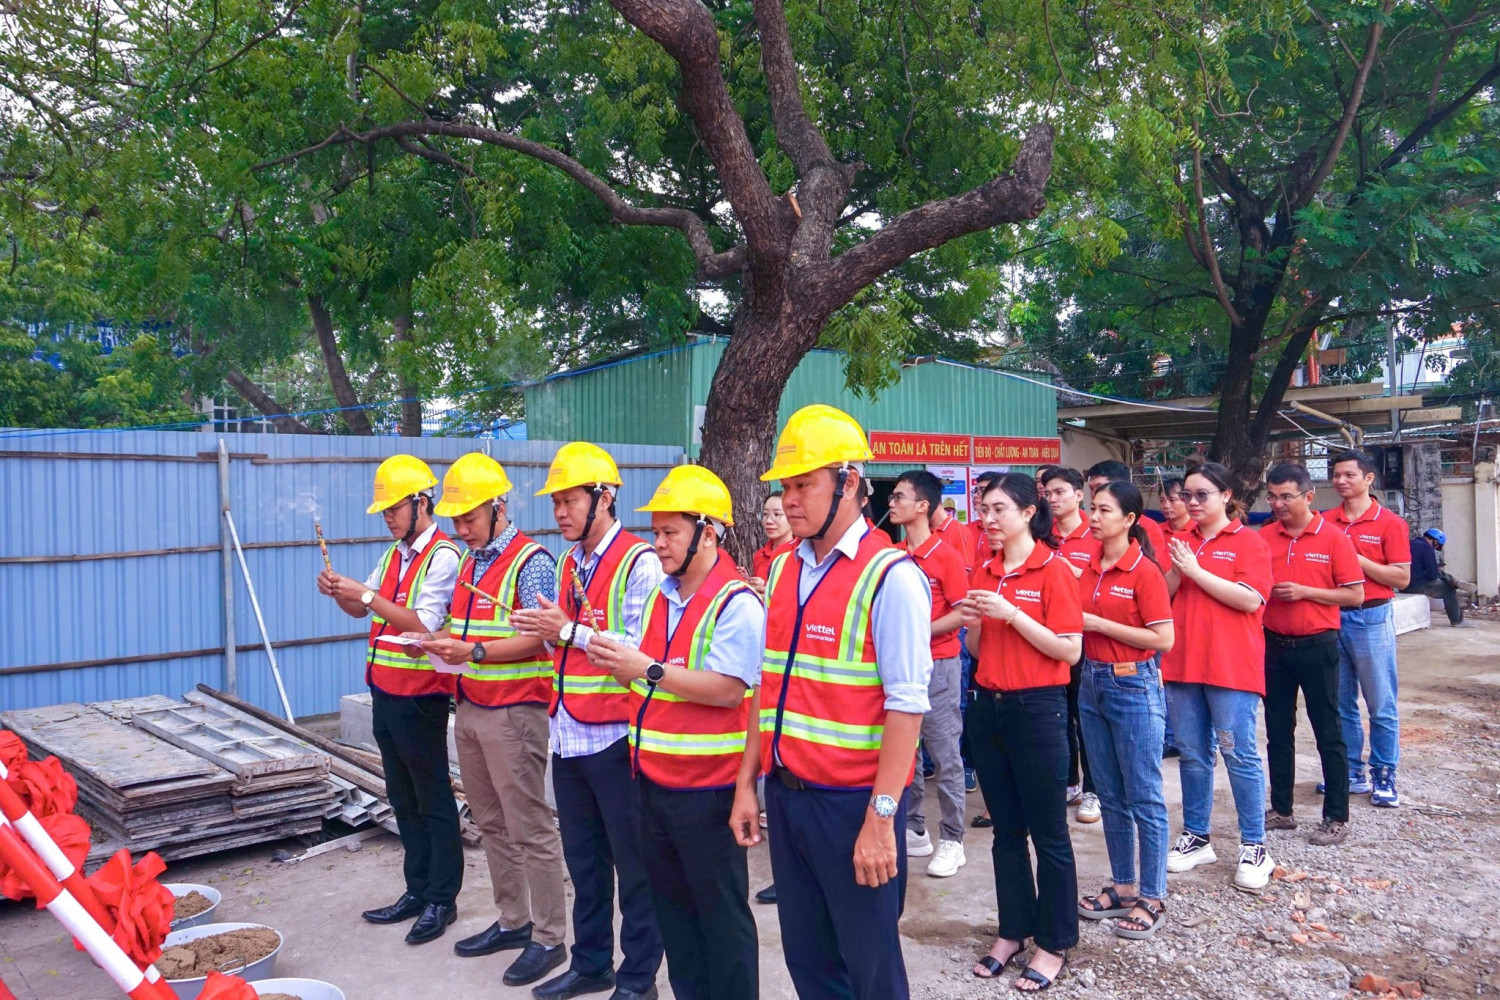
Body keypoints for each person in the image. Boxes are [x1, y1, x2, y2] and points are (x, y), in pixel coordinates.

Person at [754, 404, 933, 1000]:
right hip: (787, 797)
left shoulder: (891, 576)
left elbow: (907, 706)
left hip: (854, 805)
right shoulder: (784, 570)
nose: (790, 500)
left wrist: (881, 820)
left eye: (803, 485)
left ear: (849, 483)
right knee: (809, 961)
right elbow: (767, 688)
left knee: (870, 966)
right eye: (786, 487)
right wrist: (751, 787)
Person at [586, 466, 763, 1000]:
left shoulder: (736, 602)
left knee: (721, 919)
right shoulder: (662, 596)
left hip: (708, 791)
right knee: (676, 918)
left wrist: (645, 668)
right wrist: (617, 661)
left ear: (707, 534)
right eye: (656, 532)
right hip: (654, 782)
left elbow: (729, 690)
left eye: (670, 533)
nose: (658, 543)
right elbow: (647, 677)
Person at [401, 453, 568, 984]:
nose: (462, 529)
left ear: (499, 508)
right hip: (472, 706)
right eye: (456, 520)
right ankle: (513, 920)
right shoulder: (471, 562)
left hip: (515, 712)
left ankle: (550, 937)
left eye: (470, 518)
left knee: (530, 826)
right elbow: (465, 625)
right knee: (491, 822)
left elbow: (540, 637)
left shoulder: (532, 561)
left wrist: (472, 651)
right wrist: (432, 641)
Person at [510, 442, 664, 1000]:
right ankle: (592, 963)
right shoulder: (569, 563)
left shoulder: (640, 561)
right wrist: (546, 630)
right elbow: (562, 641)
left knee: (634, 865)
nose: (560, 513)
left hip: (617, 735)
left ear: (605, 496)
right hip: (569, 733)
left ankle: (638, 977)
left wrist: (565, 630)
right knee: (585, 862)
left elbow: (641, 648)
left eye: (570, 500)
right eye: (556, 503)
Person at [317, 455, 462, 943]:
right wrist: (341, 593)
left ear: (421, 503)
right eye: (384, 511)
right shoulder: (395, 554)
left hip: (421, 696)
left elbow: (421, 622)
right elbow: (364, 612)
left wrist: (363, 595)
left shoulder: (443, 556)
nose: (388, 517)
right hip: (385, 690)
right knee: (402, 796)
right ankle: (417, 889)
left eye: (394, 508)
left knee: (432, 796)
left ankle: (442, 898)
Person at [962, 473, 1082, 991]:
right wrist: (974, 621)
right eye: (984, 509)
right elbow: (976, 650)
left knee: (1049, 832)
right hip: (989, 709)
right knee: (1006, 832)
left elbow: (1069, 650)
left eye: (999, 509)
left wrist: (1011, 613)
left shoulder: (1054, 570)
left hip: (1038, 710)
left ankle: (1054, 942)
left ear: (1029, 513)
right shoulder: (985, 569)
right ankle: (1013, 930)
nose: (988, 519)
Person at [1161, 462, 1276, 890]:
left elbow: (1249, 600)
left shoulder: (1249, 542)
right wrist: (1178, 570)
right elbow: (1163, 596)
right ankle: (1196, 836)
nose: (1191, 502)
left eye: (1202, 494)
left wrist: (1195, 571)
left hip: (1231, 666)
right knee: (1192, 754)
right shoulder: (1182, 541)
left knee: (1238, 754)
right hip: (1184, 662)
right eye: (1186, 495)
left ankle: (1254, 845)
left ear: (1226, 496)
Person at [1074, 481, 1175, 943]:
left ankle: (1152, 896)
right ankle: (1123, 885)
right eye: (1091, 508)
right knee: (1110, 793)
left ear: (1130, 519)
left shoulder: (1144, 571)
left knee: (1144, 795)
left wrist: (1099, 623)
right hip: (1092, 681)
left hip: (1133, 683)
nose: (1093, 517)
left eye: (1103, 510)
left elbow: (1163, 639)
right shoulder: (1088, 566)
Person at [1260, 463, 1365, 847]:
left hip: (1318, 645)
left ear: (1308, 496)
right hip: (1273, 646)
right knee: (1277, 731)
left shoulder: (1333, 538)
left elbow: (1355, 594)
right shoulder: (1264, 537)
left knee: (1328, 731)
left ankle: (1336, 816)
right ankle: (1282, 809)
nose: (1278, 504)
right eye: (1272, 496)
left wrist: (1306, 593)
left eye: (1286, 496)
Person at [887, 470, 970, 878]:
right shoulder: (893, 555)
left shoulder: (946, 556)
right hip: (902, 666)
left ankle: (953, 838)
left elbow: (963, 611)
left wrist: (918, 630)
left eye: (899, 497)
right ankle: (914, 827)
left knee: (944, 751)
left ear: (923, 506)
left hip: (939, 664)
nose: (891, 503)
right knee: (907, 748)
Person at [1326, 450, 1412, 808]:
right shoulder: (1325, 521)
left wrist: (1356, 559)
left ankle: (1384, 773)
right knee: (1340, 702)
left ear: (1369, 479)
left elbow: (1401, 578)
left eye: (1349, 475)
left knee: (1380, 702)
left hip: (1372, 617)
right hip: (1333, 616)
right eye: (1336, 475)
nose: (1341, 481)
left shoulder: (1390, 523)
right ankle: (1350, 771)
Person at [1041, 468, 1098, 824]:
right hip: (1049, 639)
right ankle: (1069, 782)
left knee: (1086, 717)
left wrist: (1072, 573)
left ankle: (1094, 789)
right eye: (1048, 492)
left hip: (1086, 640)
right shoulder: (1041, 535)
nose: (1053, 498)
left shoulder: (1096, 533)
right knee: (1059, 715)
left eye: (1060, 491)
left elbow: (1101, 588)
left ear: (1079, 495)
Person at [1086, 461, 1169, 572]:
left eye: (1100, 487)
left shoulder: (1149, 527)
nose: (1095, 494)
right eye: (1091, 489)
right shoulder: (1091, 525)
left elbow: (1156, 568)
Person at [1403, 528, 1474, 627]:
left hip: (1403, 584)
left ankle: (1453, 580)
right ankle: (1457, 620)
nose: (1435, 547)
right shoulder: (1427, 548)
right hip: (1416, 585)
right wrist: (1436, 570)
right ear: (1436, 541)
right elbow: (1432, 576)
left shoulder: (1410, 543)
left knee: (1440, 574)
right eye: (1437, 545)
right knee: (1449, 589)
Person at [750, 493, 795, 595]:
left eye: (777, 514)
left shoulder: (799, 555)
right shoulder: (760, 555)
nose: (769, 521)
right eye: (765, 514)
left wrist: (767, 587)